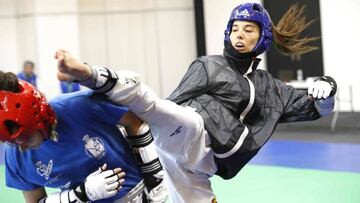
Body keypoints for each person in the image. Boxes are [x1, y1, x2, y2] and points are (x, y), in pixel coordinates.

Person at [55, 3, 337, 203]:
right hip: (188, 134)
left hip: (202, 163)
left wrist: (327, 90)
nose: (239, 34)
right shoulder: (209, 65)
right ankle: (88, 73)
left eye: (248, 29)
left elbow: (316, 108)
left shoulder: (271, 88)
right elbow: (171, 105)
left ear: (262, 37)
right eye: (235, 28)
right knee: (159, 108)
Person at [0, 71, 167, 203]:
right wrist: (80, 194)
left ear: (37, 118)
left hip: (139, 193)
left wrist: (154, 177)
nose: (20, 147)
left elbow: (135, 123)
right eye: (12, 142)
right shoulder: (15, 157)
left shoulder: (80, 106)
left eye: (24, 138)